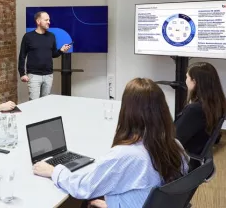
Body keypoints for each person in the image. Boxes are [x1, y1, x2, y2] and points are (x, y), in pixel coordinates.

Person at [32, 78, 188, 208]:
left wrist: (53, 171)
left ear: (127, 111)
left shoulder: (127, 155)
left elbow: (84, 187)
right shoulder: (175, 146)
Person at [175, 62, 226, 156]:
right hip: (197, 156)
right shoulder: (219, 104)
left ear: (194, 81)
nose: (186, 81)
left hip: (182, 159)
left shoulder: (194, 110)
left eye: (187, 77)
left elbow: (173, 141)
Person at [18, 11, 71, 100]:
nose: (49, 22)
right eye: (46, 20)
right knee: (33, 104)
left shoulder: (51, 36)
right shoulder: (28, 37)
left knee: (45, 103)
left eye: (49, 20)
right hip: (34, 76)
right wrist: (22, 73)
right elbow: (22, 56)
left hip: (48, 76)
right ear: (38, 21)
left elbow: (53, 54)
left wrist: (61, 50)